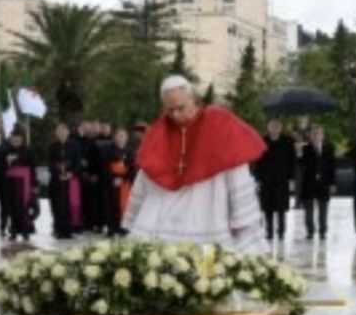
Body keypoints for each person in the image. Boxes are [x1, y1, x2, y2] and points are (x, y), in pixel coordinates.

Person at [124, 74, 265, 248]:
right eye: (169, 110)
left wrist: (240, 216)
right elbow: (147, 172)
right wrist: (137, 214)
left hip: (209, 209)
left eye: (180, 108)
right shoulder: (159, 132)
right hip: (167, 215)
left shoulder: (218, 122)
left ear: (192, 99)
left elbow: (235, 166)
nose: (175, 115)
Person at [255, 119, 297, 240]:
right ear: (268, 128)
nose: (274, 128)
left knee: (281, 208)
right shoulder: (262, 140)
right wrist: (258, 178)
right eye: (272, 126)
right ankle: (269, 232)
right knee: (268, 208)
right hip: (266, 179)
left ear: (280, 128)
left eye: (277, 126)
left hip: (282, 180)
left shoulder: (288, 141)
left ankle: (281, 232)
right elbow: (258, 162)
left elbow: (292, 161)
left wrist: (292, 179)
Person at [297, 125, 336, 240]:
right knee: (308, 210)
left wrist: (333, 183)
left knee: (323, 209)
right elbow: (300, 164)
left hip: (324, 183)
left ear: (323, 135)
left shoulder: (329, 148)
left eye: (318, 133)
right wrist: (299, 153)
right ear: (310, 136)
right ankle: (310, 231)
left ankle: (323, 231)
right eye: (313, 134)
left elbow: (332, 166)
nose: (316, 136)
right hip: (309, 183)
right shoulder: (305, 148)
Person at [45, 122, 82, 239]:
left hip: (70, 181)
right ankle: (57, 228)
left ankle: (68, 230)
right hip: (56, 181)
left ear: (68, 132)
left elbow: (78, 163)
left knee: (69, 205)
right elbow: (49, 164)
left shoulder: (75, 146)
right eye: (59, 131)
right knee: (56, 205)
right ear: (56, 133)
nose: (62, 133)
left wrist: (71, 174)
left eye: (64, 131)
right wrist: (57, 174)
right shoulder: (51, 147)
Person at [0, 129, 37, 241]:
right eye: (13, 137)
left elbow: (33, 168)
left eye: (18, 137)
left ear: (22, 138)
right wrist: (7, 165)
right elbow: (1, 168)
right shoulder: (5, 151)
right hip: (10, 183)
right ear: (10, 139)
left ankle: (25, 230)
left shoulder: (28, 151)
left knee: (24, 207)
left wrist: (34, 184)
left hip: (25, 183)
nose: (15, 139)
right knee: (12, 207)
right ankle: (14, 230)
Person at [103, 126, 136, 236]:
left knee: (124, 205)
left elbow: (133, 168)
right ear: (115, 137)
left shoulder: (131, 151)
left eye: (123, 136)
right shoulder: (107, 150)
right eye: (119, 136)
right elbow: (104, 167)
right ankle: (111, 227)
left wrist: (123, 179)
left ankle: (123, 227)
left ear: (127, 138)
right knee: (111, 205)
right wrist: (113, 178)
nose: (121, 138)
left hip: (125, 183)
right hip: (111, 181)